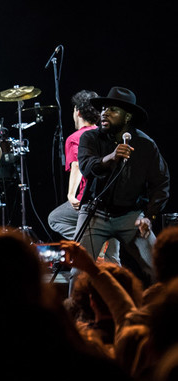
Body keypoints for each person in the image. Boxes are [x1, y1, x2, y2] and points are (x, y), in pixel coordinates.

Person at [76, 87, 170, 285]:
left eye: (112, 109)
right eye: (103, 108)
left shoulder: (146, 145)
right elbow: (87, 168)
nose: (104, 112)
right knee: (80, 273)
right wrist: (111, 157)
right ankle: (74, 315)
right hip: (95, 212)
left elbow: (161, 183)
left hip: (130, 217)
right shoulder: (90, 138)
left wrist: (149, 216)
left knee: (161, 270)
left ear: (127, 117)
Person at [48, 90, 119, 262]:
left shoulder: (76, 138)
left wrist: (71, 194)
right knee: (113, 259)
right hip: (112, 201)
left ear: (77, 111)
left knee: (55, 219)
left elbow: (77, 165)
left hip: (89, 200)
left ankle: (93, 242)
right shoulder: (104, 135)